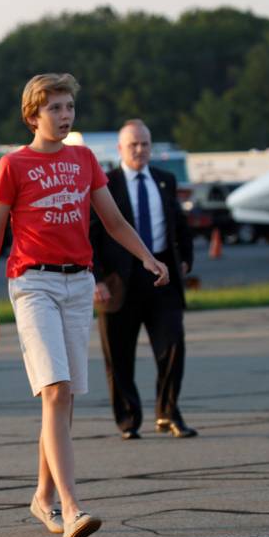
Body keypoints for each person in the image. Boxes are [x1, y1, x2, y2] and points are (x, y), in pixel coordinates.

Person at [0, 73, 170, 537]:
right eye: (55, 109)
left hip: (79, 284)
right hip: (33, 283)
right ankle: (73, 505)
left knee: (59, 401)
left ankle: (43, 497)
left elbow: (114, 220)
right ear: (33, 115)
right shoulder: (13, 165)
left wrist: (146, 256)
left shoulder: (84, 160)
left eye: (68, 108)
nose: (64, 116)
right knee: (57, 389)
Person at [91, 120, 196, 440]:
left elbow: (178, 222)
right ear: (120, 149)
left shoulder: (165, 180)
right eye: (133, 145)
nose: (140, 150)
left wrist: (185, 260)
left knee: (172, 346)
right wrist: (95, 278)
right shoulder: (106, 184)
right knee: (119, 355)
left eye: (145, 144)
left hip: (161, 278)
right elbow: (92, 234)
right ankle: (128, 419)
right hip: (119, 283)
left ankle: (168, 412)